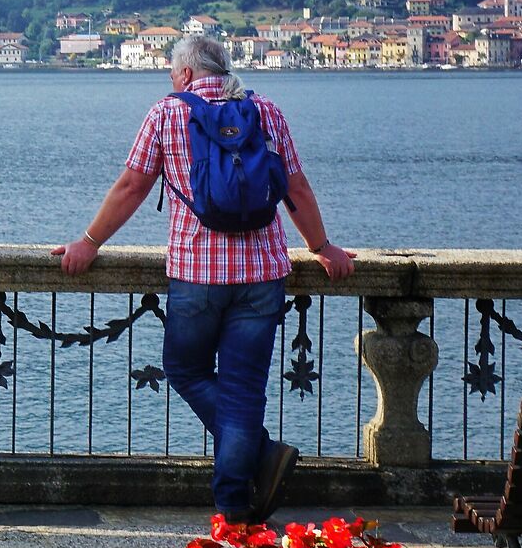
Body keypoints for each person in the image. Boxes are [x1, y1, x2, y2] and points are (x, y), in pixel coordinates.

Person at [54, 35, 353, 523]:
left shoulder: (166, 114)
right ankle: (235, 503)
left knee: (185, 369)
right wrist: (322, 247)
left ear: (188, 73)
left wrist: (88, 242)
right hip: (263, 274)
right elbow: (295, 187)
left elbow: (131, 187)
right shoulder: (267, 112)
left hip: (197, 274)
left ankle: (258, 464)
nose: (171, 80)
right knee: (244, 390)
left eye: (173, 72)